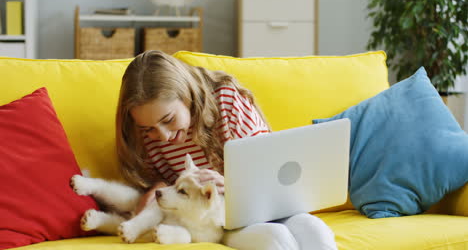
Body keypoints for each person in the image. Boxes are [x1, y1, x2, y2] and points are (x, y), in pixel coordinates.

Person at [115, 50, 338, 250]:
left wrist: (230, 184)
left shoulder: (226, 100)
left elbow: (271, 171)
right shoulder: (145, 137)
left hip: (264, 205)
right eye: (149, 128)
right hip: (220, 224)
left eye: (169, 119)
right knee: (275, 239)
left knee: (313, 229)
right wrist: (155, 190)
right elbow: (164, 191)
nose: (162, 135)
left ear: (187, 96)